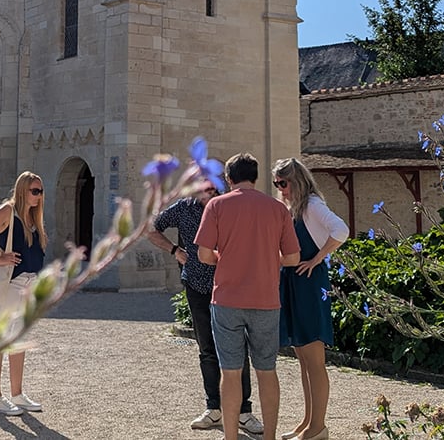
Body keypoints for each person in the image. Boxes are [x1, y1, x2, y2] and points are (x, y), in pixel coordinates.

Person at [195, 153, 300, 440]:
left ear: (228, 178)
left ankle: (230, 436)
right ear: (255, 177)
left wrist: (225, 258)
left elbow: (204, 254)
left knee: (230, 372)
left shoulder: (216, 205)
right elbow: (292, 257)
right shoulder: (277, 209)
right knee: (267, 370)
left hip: (227, 298)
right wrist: (268, 258)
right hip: (266, 299)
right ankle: (269, 437)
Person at [147, 184, 264, 435]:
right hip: (198, 286)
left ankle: (244, 412)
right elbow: (150, 227)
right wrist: (174, 250)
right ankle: (214, 409)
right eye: (205, 187)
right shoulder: (183, 208)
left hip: (231, 286)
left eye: (214, 187)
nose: (210, 191)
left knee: (238, 348)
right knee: (207, 349)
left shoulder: (230, 207)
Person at [272, 157, 349, 440]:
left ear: (296, 181)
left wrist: (318, 257)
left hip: (309, 281)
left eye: (283, 183)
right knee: (303, 357)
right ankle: (308, 422)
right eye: (276, 184)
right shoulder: (296, 208)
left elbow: (342, 230)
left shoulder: (314, 205)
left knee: (314, 359)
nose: (280, 189)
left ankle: (319, 427)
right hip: (294, 281)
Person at [0, 171, 47, 416]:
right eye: (34, 191)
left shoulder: (33, 218)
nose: (38, 196)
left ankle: (17, 393)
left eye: (41, 191)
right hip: (10, 285)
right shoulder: (9, 211)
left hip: (29, 284)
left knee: (18, 340)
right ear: (22, 190)